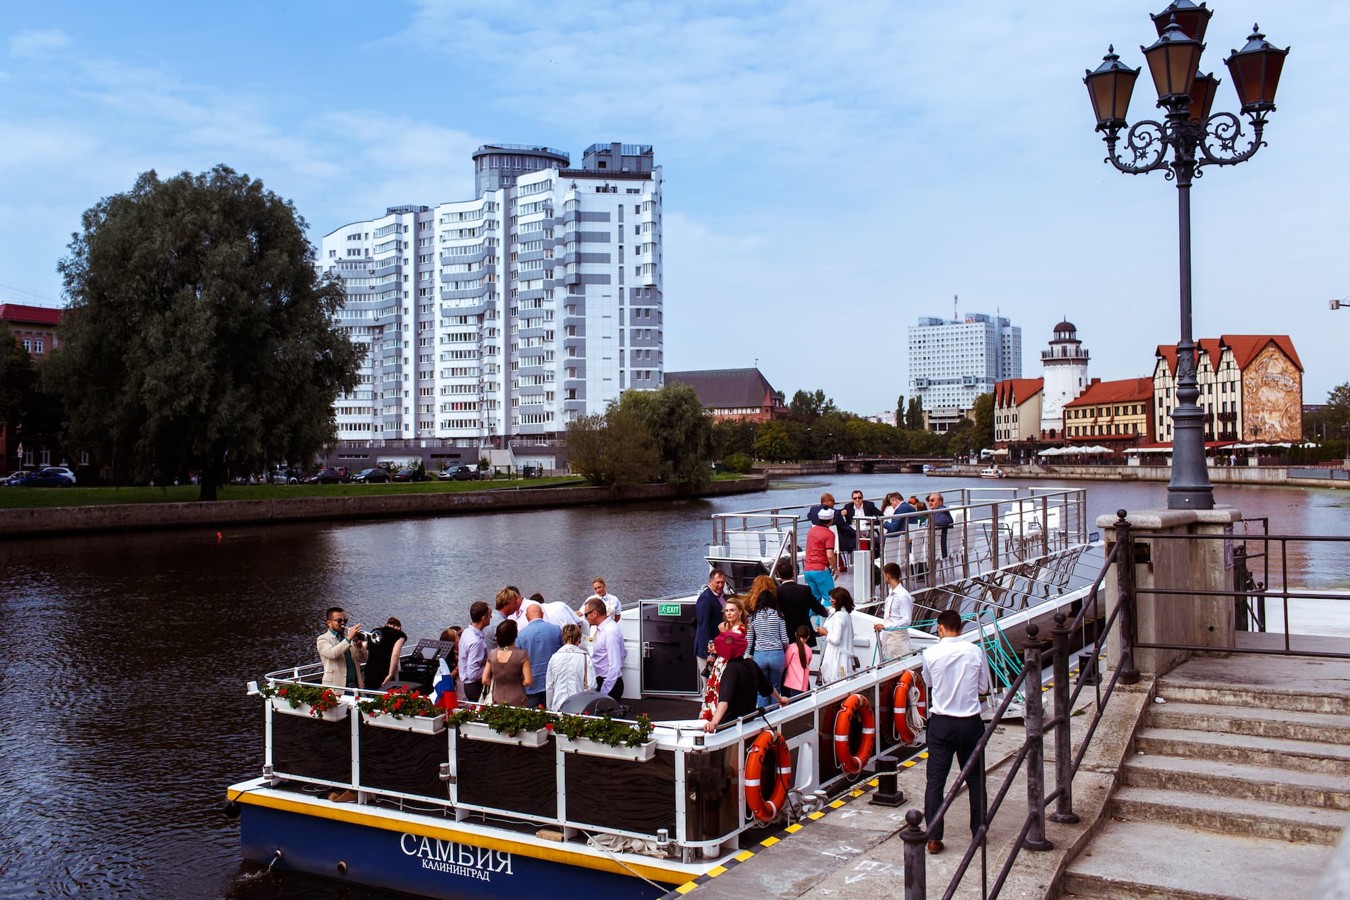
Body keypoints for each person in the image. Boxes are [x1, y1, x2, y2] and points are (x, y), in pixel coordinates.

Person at [921, 609, 990, 855]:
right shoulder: (975, 651)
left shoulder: (929, 654)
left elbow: (928, 683)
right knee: (975, 780)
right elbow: (983, 686)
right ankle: (979, 831)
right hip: (970, 722)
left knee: (936, 782)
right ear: (960, 629)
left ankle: (934, 837)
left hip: (942, 723)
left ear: (939, 628)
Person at [702, 631, 784, 732]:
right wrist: (780, 699)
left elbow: (725, 700)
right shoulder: (751, 663)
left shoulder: (730, 670)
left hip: (732, 726)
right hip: (750, 720)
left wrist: (714, 722)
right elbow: (768, 687)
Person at [700, 597, 749, 721]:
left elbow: (732, 649)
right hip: (720, 664)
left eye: (732, 610)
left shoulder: (740, 629)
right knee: (713, 692)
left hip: (729, 665)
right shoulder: (729, 627)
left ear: (740, 612)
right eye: (726, 611)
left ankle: (716, 720)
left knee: (722, 693)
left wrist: (723, 633)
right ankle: (709, 719)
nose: (729, 613)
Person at [746, 589, 790, 707]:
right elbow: (785, 640)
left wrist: (746, 656)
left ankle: (762, 719)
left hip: (759, 654)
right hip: (777, 654)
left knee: (762, 689)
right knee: (775, 687)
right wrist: (785, 647)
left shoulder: (752, 617)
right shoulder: (779, 615)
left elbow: (749, 640)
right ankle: (775, 717)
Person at [775, 558, 828, 649]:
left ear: (779, 575)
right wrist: (824, 611)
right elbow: (816, 607)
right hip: (804, 631)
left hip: (786, 632)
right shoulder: (805, 590)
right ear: (793, 573)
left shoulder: (777, 592)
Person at [516, 604, 562, 708]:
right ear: (542, 614)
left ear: (527, 617)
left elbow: (517, 662)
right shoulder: (556, 629)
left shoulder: (520, 636)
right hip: (554, 683)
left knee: (533, 719)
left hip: (531, 686)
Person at [585, 597, 627, 701]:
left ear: (595, 613)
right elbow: (624, 653)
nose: (586, 618)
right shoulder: (601, 630)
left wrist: (603, 692)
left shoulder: (610, 632)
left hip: (608, 685)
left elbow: (615, 666)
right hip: (603, 681)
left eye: (586, 614)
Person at [482, 619, 532, 706]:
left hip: (496, 699)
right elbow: (528, 681)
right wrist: (516, 683)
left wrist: (497, 683)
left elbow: (485, 679)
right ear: (515, 635)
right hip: (517, 699)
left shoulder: (492, 653)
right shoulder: (522, 654)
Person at [693, 569, 728, 690]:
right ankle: (706, 709)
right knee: (708, 685)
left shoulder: (723, 597)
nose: (720, 585)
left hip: (720, 648)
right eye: (717, 582)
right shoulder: (705, 599)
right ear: (710, 582)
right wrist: (709, 653)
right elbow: (704, 627)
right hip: (707, 651)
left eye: (723, 582)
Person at [318, 607, 367, 690]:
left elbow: (364, 659)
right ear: (329, 623)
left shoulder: (348, 638)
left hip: (355, 686)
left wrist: (359, 647)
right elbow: (332, 654)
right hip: (335, 688)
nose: (343, 623)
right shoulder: (322, 639)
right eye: (339, 621)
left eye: (345, 620)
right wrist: (349, 638)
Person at [874, 563, 915, 660]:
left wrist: (886, 626)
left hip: (898, 640)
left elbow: (907, 620)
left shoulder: (902, 595)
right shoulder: (891, 594)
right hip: (889, 638)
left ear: (888, 576)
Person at [818, 588, 858, 685]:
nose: (830, 601)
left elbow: (835, 639)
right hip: (845, 656)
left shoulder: (838, 616)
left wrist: (825, 633)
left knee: (836, 680)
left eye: (832, 600)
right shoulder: (846, 615)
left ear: (838, 601)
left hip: (837, 657)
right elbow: (851, 634)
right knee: (844, 679)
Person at [546, 624, 590, 711]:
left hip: (557, 704)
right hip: (579, 705)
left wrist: (549, 706)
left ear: (563, 639)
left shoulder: (554, 657)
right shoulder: (585, 658)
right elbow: (591, 685)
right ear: (578, 639)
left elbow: (549, 686)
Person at [803, 507, 839, 604]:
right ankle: (822, 620)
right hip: (821, 570)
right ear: (831, 520)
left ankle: (806, 619)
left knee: (814, 600)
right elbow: (830, 555)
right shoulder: (829, 534)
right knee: (830, 598)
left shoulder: (811, 531)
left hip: (808, 570)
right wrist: (836, 569)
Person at [458, 601, 491, 702]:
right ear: (483, 618)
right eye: (490, 615)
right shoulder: (476, 642)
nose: (491, 617)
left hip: (468, 685)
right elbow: (472, 674)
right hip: (475, 687)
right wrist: (490, 667)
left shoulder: (467, 632)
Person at [362, 616, 408, 689]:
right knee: (382, 692)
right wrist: (390, 674)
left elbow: (363, 647)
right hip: (384, 669)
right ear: (399, 627)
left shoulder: (375, 631)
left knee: (369, 690)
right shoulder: (400, 635)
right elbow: (395, 655)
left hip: (369, 668)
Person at [782, 625, 814, 698]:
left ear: (795, 634)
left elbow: (785, 664)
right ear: (808, 637)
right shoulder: (809, 650)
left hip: (792, 682)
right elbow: (807, 663)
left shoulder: (791, 647)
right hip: (804, 683)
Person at [927, 492, 955, 559]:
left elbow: (944, 521)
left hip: (939, 546)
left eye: (932, 500)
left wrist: (928, 526)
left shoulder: (941, 510)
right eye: (929, 500)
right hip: (940, 544)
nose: (930, 503)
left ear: (940, 502)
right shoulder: (937, 511)